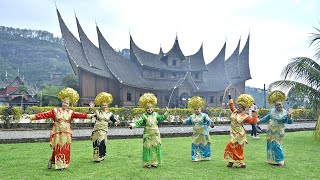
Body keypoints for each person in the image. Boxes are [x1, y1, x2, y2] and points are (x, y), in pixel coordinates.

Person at [26, 87, 94, 170]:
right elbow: (44, 115)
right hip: (57, 132)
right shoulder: (55, 111)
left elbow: (81, 115)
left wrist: (90, 115)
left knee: (65, 148)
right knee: (58, 148)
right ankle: (58, 164)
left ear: (69, 105)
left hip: (67, 132)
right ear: (62, 102)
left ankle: (59, 163)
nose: (65, 104)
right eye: (64, 102)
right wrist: (31, 116)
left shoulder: (71, 112)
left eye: (67, 103)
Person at [128, 93, 168, 168]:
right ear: (146, 109)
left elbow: (161, 118)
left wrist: (166, 113)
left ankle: (155, 162)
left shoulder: (156, 115)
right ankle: (148, 163)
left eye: (151, 107)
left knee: (155, 147)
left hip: (156, 134)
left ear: (153, 108)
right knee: (148, 148)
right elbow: (138, 122)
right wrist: (132, 125)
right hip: (147, 135)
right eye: (148, 108)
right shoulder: (144, 116)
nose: (150, 109)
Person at [258, 90, 293, 167]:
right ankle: (273, 160)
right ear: (275, 106)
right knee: (271, 145)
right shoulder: (272, 111)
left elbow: (289, 122)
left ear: (282, 104)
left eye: (280, 104)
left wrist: (289, 116)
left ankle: (281, 161)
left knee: (277, 145)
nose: (279, 106)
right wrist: (258, 121)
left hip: (279, 131)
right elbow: (266, 118)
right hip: (270, 131)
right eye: (277, 105)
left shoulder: (285, 112)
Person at [224, 93, 258, 168]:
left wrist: (254, 112)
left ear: (243, 109)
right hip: (233, 133)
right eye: (238, 106)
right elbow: (231, 106)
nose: (238, 108)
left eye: (240, 107)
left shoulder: (244, 116)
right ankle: (231, 161)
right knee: (232, 147)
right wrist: (229, 96)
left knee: (234, 147)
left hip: (239, 134)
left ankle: (242, 163)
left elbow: (253, 121)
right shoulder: (235, 112)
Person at [90, 92, 120, 162]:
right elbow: (91, 115)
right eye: (103, 105)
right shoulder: (97, 112)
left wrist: (116, 122)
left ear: (107, 106)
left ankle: (102, 156)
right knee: (96, 143)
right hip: (96, 130)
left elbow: (113, 120)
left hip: (103, 130)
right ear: (100, 106)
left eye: (105, 105)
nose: (104, 106)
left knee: (102, 142)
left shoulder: (109, 114)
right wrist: (91, 108)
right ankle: (96, 157)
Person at [182, 96, 214, 161]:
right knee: (194, 144)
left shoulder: (204, 115)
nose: (196, 110)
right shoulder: (192, 116)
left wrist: (211, 124)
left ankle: (205, 157)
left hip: (203, 133)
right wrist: (182, 121)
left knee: (204, 145)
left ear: (200, 109)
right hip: (196, 134)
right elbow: (187, 121)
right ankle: (195, 157)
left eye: (197, 109)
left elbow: (209, 121)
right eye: (195, 109)